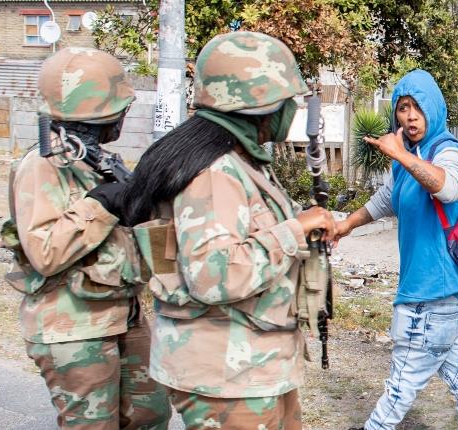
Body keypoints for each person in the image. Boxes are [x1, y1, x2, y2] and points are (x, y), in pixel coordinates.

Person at [120, 32, 336, 429]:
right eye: (288, 100)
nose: (293, 110)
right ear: (261, 105)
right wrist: (294, 230)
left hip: (252, 365)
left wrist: (303, 229)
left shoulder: (240, 163)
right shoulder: (214, 172)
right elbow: (214, 275)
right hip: (226, 375)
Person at [2, 47, 171, 429]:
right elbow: (45, 252)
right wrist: (99, 204)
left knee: (151, 413)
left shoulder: (95, 160)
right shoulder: (42, 166)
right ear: (102, 113)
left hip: (121, 313)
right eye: (120, 110)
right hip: (72, 328)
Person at [334, 69, 458, 430]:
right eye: (403, 107)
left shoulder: (447, 151)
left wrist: (401, 155)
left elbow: (447, 187)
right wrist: (344, 225)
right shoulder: (410, 155)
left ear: (433, 108)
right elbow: (386, 199)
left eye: (418, 106)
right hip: (443, 291)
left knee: (400, 386)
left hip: (433, 291)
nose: (410, 115)